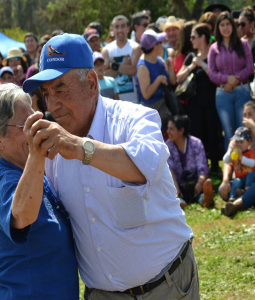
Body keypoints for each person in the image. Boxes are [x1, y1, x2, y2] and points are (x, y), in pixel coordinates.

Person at [22, 33, 198, 300]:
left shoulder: (134, 118)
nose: (53, 104)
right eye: (46, 93)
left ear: (92, 83)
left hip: (168, 287)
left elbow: (145, 166)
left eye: (60, 89)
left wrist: (80, 148)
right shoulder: (53, 150)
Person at [0, 84, 79, 299]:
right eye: (27, 125)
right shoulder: (4, 181)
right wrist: (37, 152)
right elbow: (23, 215)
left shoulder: (31, 171)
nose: (38, 128)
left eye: (37, 118)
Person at [176, 24, 220, 178]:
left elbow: (217, 77)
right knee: (197, 135)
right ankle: (201, 169)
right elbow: (178, 78)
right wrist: (191, 66)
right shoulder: (191, 56)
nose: (191, 39)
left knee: (213, 134)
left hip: (211, 101)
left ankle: (215, 166)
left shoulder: (214, 53)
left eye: (194, 36)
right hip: (194, 104)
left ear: (203, 38)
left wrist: (203, 65)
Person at [208, 11, 254, 150]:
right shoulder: (214, 48)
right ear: (218, 28)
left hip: (242, 90)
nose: (226, 28)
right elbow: (212, 73)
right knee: (229, 132)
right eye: (222, 25)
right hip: (223, 93)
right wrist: (227, 79)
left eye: (228, 24)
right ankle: (232, 169)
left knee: (244, 131)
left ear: (233, 26)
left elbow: (250, 67)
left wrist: (235, 80)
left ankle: (247, 169)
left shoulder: (243, 44)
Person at [166, 115, 213, 208]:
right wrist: (175, 187)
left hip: (195, 184)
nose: (168, 132)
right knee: (173, 194)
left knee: (200, 193)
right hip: (177, 185)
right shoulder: (166, 146)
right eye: (168, 128)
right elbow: (169, 170)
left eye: (171, 129)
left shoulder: (196, 143)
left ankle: (204, 198)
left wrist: (200, 183)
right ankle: (179, 201)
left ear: (181, 131)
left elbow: (202, 167)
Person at [219, 102, 255, 214]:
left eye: (250, 114)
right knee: (223, 189)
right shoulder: (238, 136)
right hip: (239, 179)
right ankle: (240, 196)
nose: (247, 118)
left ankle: (237, 204)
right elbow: (228, 162)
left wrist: (253, 128)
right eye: (245, 115)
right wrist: (225, 181)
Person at [136, 30, 176, 126]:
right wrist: (158, 80)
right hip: (152, 115)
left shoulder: (159, 59)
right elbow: (146, 95)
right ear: (155, 46)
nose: (162, 45)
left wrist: (170, 66)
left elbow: (173, 82)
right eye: (160, 43)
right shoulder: (143, 67)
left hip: (165, 110)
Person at [102, 15, 141, 103]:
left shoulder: (135, 47)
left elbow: (133, 70)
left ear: (128, 28)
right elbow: (104, 74)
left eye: (123, 26)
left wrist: (113, 66)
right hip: (114, 102)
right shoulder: (106, 50)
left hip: (134, 101)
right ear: (112, 29)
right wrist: (124, 66)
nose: (120, 30)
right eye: (117, 27)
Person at [222, 127, 255, 204]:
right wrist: (229, 151)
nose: (238, 145)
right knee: (236, 182)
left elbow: (252, 163)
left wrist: (241, 157)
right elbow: (225, 160)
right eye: (237, 142)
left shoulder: (251, 153)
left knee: (251, 175)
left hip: (249, 178)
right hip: (239, 178)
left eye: (241, 142)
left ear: (249, 143)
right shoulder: (234, 154)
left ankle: (247, 191)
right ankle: (233, 197)